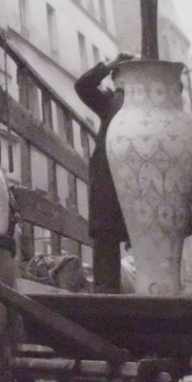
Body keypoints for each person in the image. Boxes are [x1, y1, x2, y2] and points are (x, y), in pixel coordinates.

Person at [73, 52, 134, 292]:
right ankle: (108, 294)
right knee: (109, 242)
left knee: (109, 244)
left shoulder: (113, 101)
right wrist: (109, 66)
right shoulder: (111, 101)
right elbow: (83, 85)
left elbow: (83, 86)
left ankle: (108, 294)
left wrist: (111, 66)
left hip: (120, 181)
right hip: (115, 180)